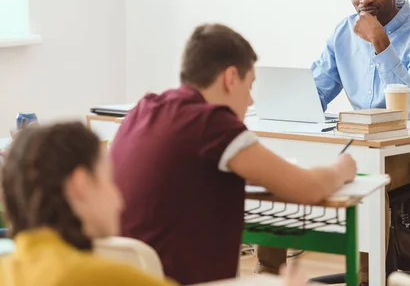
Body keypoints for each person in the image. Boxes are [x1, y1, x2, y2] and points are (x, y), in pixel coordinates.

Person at [109, 23, 357, 285]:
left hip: (125, 275)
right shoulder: (211, 123)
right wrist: (341, 168)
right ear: (230, 78)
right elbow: (308, 188)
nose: (250, 101)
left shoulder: (143, 109)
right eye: (249, 86)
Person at [255, 0, 410, 283]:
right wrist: (287, 103)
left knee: (365, 178)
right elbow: (317, 92)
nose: (365, 0)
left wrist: (380, 42)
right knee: (277, 171)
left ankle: (365, 279)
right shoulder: (343, 33)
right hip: (358, 143)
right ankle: (268, 275)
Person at [0, 122, 178, 285]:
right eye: (109, 180)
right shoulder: (100, 277)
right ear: (81, 184)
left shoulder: (5, 272)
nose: (120, 202)